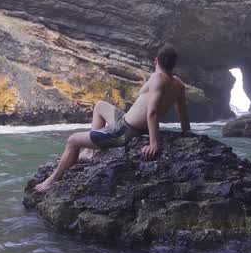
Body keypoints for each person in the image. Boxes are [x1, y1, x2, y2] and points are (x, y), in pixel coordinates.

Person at [33, 45, 191, 193]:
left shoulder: (157, 78)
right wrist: (186, 135)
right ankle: (89, 152)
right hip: (125, 120)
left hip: (125, 131)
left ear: (156, 60)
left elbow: (152, 112)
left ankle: (52, 180)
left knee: (73, 140)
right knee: (100, 105)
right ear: (174, 64)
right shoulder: (179, 84)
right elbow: (183, 113)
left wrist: (153, 143)